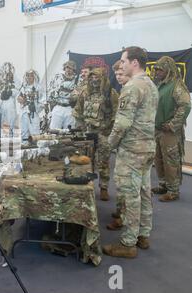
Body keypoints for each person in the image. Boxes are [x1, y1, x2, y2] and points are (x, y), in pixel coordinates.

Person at [103, 46, 159, 258]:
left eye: (124, 61)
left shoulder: (132, 87)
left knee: (130, 195)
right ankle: (143, 235)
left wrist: (110, 144)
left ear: (134, 62)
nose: (122, 64)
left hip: (132, 151)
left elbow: (122, 124)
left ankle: (128, 243)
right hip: (147, 148)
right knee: (144, 191)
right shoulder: (150, 85)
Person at [73, 68, 119, 201]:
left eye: (97, 78)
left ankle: (104, 188)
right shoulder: (85, 93)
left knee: (103, 161)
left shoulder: (110, 93)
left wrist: (109, 128)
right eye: (92, 78)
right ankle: (88, 186)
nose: (94, 80)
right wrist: (80, 127)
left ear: (103, 78)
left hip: (103, 133)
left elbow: (116, 113)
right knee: (87, 160)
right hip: (88, 132)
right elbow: (78, 111)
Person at [152, 56, 191, 202]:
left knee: (171, 161)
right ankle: (163, 185)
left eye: (160, 70)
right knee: (159, 159)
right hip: (158, 130)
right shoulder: (161, 85)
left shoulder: (176, 86)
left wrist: (173, 124)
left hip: (170, 132)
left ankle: (173, 191)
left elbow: (186, 106)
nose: (157, 72)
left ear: (168, 69)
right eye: (156, 70)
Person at [110, 60, 130, 220]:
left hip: (130, 146)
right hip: (133, 144)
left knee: (126, 184)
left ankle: (124, 217)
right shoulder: (127, 89)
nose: (118, 77)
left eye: (121, 73)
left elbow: (122, 123)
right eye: (116, 74)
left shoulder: (130, 90)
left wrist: (110, 144)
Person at [0, 62, 20, 138]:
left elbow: (18, 89)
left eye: (9, 73)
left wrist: (11, 92)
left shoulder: (15, 79)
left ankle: (11, 139)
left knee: (12, 122)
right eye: (6, 73)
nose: (8, 75)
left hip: (10, 104)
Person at [48, 60, 78, 129]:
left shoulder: (77, 80)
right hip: (58, 107)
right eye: (67, 67)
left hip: (69, 108)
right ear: (64, 68)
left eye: (70, 68)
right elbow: (50, 90)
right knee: (54, 130)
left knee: (69, 131)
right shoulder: (57, 77)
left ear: (74, 69)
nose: (68, 70)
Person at [17, 69, 43, 142]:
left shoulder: (38, 88)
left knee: (35, 132)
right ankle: (24, 145)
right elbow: (18, 97)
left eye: (31, 76)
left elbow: (43, 101)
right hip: (23, 112)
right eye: (27, 76)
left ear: (34, 77)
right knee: (23, 130)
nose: (29, 78)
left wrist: (36, 108)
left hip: (33, 114)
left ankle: (36, 147)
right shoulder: (23, 87)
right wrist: (20, 99)